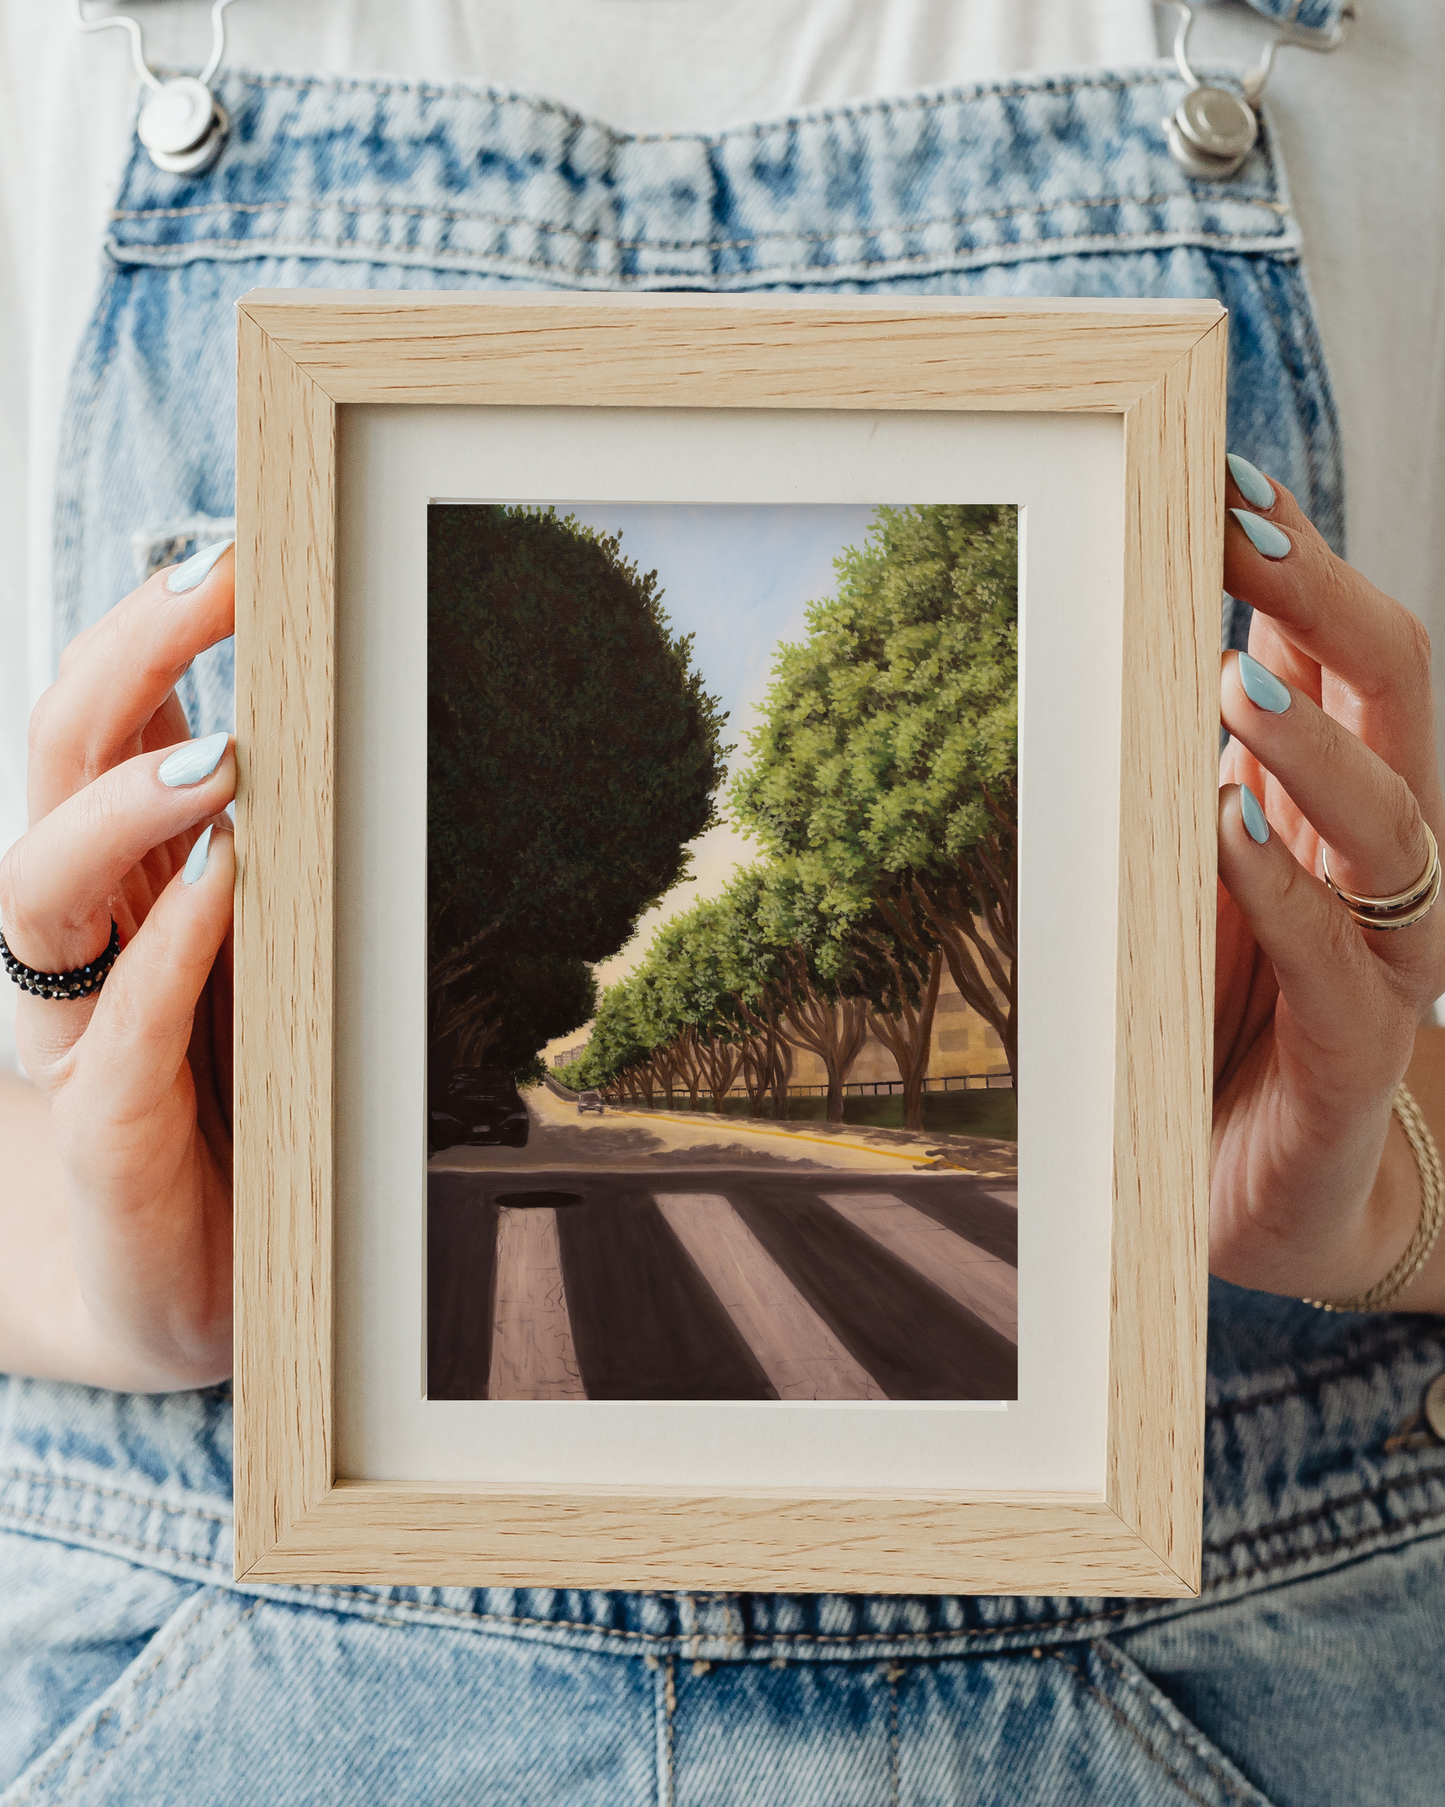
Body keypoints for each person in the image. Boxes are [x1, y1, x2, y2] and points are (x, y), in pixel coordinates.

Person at [1, 2, 1443, 1801]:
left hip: (1219, 1658)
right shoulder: (72, 41)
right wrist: (100, 1251)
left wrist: (1387, 1190)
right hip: (224, 1659)